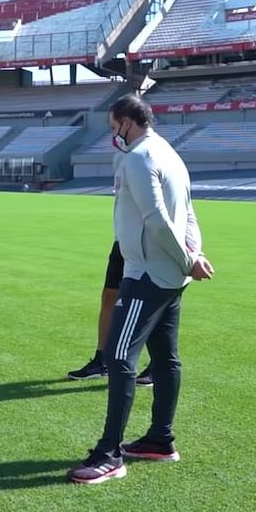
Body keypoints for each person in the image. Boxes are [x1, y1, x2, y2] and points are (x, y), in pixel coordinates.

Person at [68, 94, 214, 485]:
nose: (112, 135)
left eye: (114, 127)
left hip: (147, 273)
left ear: (127, 123)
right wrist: (193, 255)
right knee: (165, 359)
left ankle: (109, 454)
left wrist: (187, 259)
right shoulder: (170, 154)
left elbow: (157, 219)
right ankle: (160, 440)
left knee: (118, 355)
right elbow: (190, 214)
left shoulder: (139, 157)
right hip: (169, 275)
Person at [68, 241, 152, 386]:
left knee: (152, 299)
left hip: (151, 244)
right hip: (124, 241)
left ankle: (157, 365)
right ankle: (102, 361)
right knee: (110, 294)